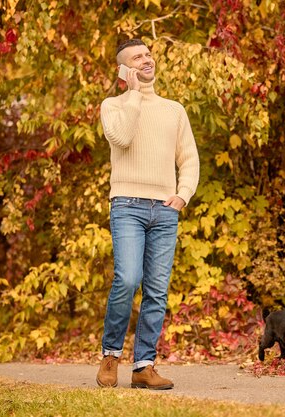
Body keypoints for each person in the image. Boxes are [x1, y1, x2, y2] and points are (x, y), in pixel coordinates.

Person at [96, 39, 199, 389]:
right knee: (126, 279)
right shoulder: (113, 106)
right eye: (137, 57)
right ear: (123, 70)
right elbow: (122, 139)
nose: (146, 59)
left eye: (147, 55)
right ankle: (110, 355)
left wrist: (183, 195)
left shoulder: (174, 110)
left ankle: (143, 367)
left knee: (157, 289)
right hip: (126, 205)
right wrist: (135, 95)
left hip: (165, 211)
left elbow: (188, 158)